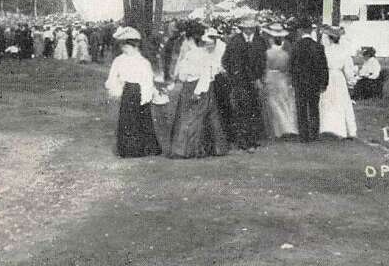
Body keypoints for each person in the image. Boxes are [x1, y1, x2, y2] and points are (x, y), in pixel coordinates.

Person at [168, 25, 230, 159]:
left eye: (187, 40)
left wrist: (197, 91)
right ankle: (205, 147)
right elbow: (183, 73)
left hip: (199, 88)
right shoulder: (193, 54)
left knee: (194, 118)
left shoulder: (200, 55)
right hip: (191, 87)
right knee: (195, 117)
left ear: (191, 40)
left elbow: (205, 75)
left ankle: (189, 149)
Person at [105, 27, 162, 158]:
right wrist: (114, 87)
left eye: (127, 46)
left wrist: (146, 96)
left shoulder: (143, 62)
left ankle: (146, 148)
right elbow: (113, 77)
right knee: (128, 120)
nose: (124, 49)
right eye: (123, 46)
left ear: (135, 46)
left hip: (141, 91)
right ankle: (129, 149)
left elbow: (148, 80)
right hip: (128, 91)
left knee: (143, 119)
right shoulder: (119, 60)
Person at [221, 16, 267, 150]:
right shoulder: (235, 41)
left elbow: (263, 61)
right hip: (239, 81)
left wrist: (259, 77)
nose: (249, 30)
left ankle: (252, 139)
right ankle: (242, 140)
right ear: (242, 28)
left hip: (254, 80)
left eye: (251, 27)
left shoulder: (259, 41)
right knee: (242, 109)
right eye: (246, 28)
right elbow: (226, 60)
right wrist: (234, 75)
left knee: (254, 109)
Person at [290, 21, 329, 142]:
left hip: (300, 82)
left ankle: (304, 135)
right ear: (311, 30)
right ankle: (314, 133)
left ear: (301, 30)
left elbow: (292, 66)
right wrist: (324, 82)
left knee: (301, 108)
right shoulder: (318, 47)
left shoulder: (296, 46)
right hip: (314, 82)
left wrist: (293, 81)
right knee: (314, 108)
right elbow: (324, 67)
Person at [319, 26, 358, 139]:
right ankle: (341, 129)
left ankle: (327, 127)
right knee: (341, 101)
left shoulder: (325, 51)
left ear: (329, 38)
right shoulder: (344, 52)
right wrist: (350, 82)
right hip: (339, 77)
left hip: (327, 77)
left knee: (328, 101)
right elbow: (348, 70)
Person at [261, 23, 298, 139]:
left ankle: (279, 130)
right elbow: (287, 68)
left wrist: (264, 78)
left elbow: (266, 67)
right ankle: (289, 127)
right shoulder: (285, 54)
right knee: (285, 103)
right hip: (282, 78)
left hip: (271, 77)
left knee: (274, 104)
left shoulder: (267, 53)